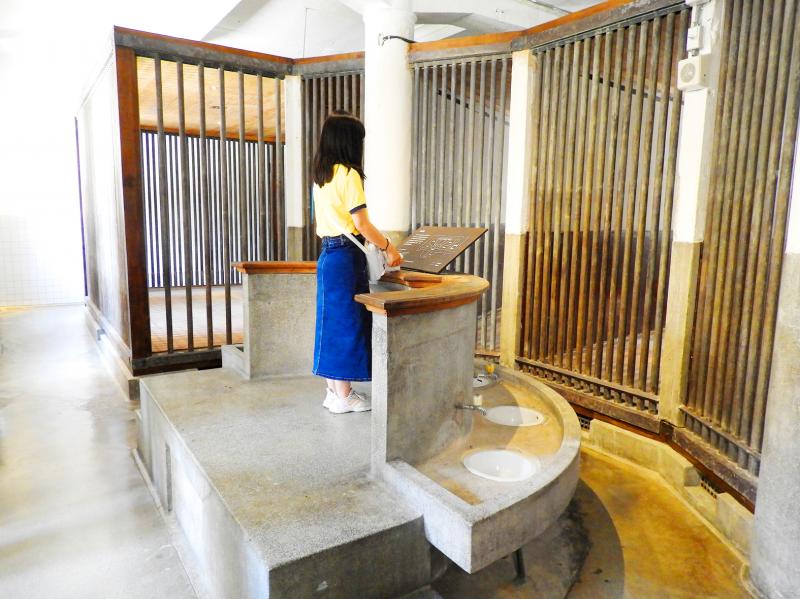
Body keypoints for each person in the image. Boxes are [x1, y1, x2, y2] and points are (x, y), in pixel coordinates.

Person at [311, 112, 403, 414]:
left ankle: (333, 391)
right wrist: (389, 247)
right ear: (349, 142)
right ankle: (345, 395)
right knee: (347, 324)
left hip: (327, 255)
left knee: (331, 323)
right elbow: (361, 223)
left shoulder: (321, 177)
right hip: (345, 257)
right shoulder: (348, 175)